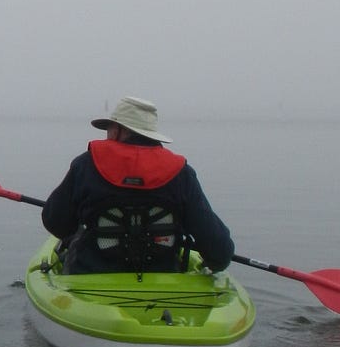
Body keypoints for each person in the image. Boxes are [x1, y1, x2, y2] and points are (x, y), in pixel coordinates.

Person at [41, 96, 235, 276]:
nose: (107, 134)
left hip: (90, 278)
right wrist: (213, 261)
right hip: (164, 281)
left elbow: (55, 221)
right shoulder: (182, 174)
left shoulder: (85, 165)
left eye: (110, 128)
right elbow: (220, 251)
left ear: (120, 131)